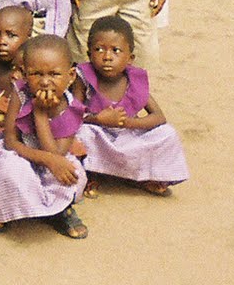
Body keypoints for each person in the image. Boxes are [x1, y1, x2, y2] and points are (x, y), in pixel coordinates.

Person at [0, 34, 87, 238]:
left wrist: (40, 114)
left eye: (54, 74)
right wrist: (38, 111)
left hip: (54, 157)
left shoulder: (72, 107)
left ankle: (59, 210)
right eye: (36, 74)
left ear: (70, 76)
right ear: (25, 74)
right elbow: (10, 141)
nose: (45, 81)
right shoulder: (20, 94)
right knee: (9, 169)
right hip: (20, 153)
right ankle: (1, 209)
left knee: (72, 174)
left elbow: (56, 154)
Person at [73, 15, 188, 196]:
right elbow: (72, 116)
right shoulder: (83, 77)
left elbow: (158, 117)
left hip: (128, 136)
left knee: (167, 134)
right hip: (99, 134)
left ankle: (139, 177)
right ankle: (93, 174)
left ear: (130, 58)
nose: (107, 57)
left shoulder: (134, 80)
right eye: (99, 49)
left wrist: (126, 123)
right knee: (82, 134)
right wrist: (97, 119)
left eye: (116, 50)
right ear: (89, 54)